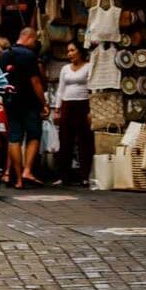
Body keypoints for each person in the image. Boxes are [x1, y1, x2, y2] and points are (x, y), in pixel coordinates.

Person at [0, 27, 49, 189]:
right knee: (34, 135)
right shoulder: (29, 55)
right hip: (29, 102)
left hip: (10, 101)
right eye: (35, 41)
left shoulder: (4, 55)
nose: (35, 44)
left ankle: (18, 177)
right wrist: (44, 103)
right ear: (29, 37)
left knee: (14, 138)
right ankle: (27, 170)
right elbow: (35, 82)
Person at [53, 41, 94, 186]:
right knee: (65, 140)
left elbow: (92, 89)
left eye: (72, 50)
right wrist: (57, 109)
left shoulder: (89, 66)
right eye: (68, 51)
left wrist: (91, 110)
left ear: (80, 52)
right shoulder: (65, 69)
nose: (69, 54)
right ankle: (63, 176)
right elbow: (60, 89)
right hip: (67, 105)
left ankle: (85, 176)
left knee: (84, 141)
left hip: (83, 105)